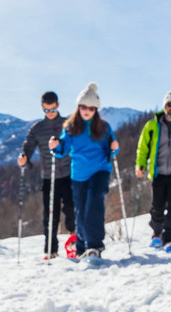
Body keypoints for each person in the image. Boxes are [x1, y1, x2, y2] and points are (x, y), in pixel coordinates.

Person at [49, 83, 119, 262]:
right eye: (83, 107)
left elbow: (112, 149)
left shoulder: (104, 127)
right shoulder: (71, 127)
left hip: (100, 170)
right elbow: (63, 149)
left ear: (96, 109)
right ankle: (81, 248)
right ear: (78, 107)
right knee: (80, 211)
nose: (87, 111)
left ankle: (94, 246)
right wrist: (55, 147)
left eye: (91, 108)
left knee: (93, 203)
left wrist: (114, 148)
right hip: (79, 174)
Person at [17, 91, 76, 259]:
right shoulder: (37, 129)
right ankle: (51, 250)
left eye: (52, 109)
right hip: (49, 177)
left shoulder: (67, 125)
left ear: (57, 105)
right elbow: (27, 146)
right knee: (50, 215)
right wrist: (24, 158)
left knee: (72, 210)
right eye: (46, 110)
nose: (49, 113)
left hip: (69, 174)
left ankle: (75, 243)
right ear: (42, 108)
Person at [134, 90, 171, 252]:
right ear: (164, 106)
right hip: (158, 173)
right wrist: (140, 165)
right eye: (169, 104)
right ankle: (156, 234)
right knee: (157, 207)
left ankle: (169, 239)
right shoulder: (152, 126)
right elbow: (142, 147)